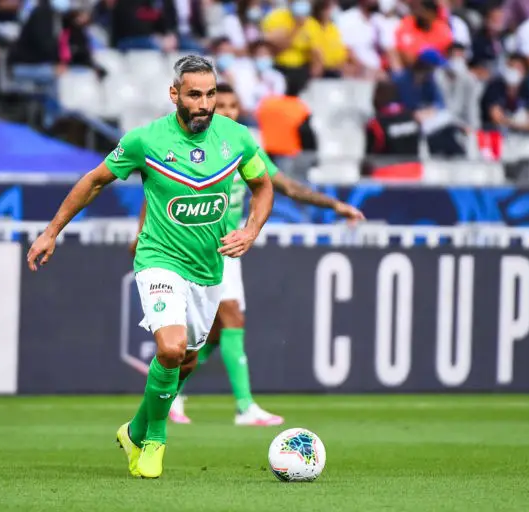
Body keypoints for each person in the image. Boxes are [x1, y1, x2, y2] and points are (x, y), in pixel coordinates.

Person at [26, 56, 274, 479]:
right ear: (174, 94)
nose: (204, 103)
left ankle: (134, 430)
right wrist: (52, 231)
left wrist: (251, 230)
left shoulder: (236, 138)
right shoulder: (146, 141)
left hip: (208, 267)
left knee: (187, 361)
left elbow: (262, 186)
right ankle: (155, 441)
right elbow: (95, 180)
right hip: (159, 259)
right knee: (171, 349)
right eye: (194, 94)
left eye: (210, 94)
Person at [130, 83, 365, 426]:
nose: (226, 111)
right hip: (192, 249)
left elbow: (285, 185)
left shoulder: (239, 146)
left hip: (227, 248)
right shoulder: (189, 145)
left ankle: (174, 394)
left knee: (213, 334)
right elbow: (156, 192)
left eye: (232, 105)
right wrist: (140, 232)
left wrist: (335, 205)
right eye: (221, 104)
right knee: (232, 320)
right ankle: (243, 406)